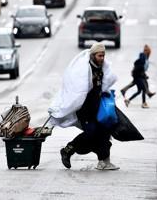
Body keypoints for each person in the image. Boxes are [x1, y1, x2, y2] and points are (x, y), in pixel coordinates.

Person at [49, 42, 120, 170]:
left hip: (97, 109)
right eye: (99, 55)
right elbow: (76, 89)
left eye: (103, 55)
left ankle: (104, 161)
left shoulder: (101, 68)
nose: (102, 58)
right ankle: (67, 150)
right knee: (91, 133)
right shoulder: (84, 69)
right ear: (93, 55)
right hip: (85, 110)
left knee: (103, 133)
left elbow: (103, 85)